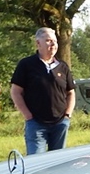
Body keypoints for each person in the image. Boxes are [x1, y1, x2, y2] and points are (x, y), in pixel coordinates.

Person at [10, 27, 76, 155]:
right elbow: (16, 92)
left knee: (58, 161)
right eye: (48, 41)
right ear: (38, 43)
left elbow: (70, 92)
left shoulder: (63, 66)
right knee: (36, 161)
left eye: (55, 41)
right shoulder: (26, 65)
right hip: (36, 124)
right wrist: (28, 116)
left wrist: (67, 115)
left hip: (60, 124)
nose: (53, 44)